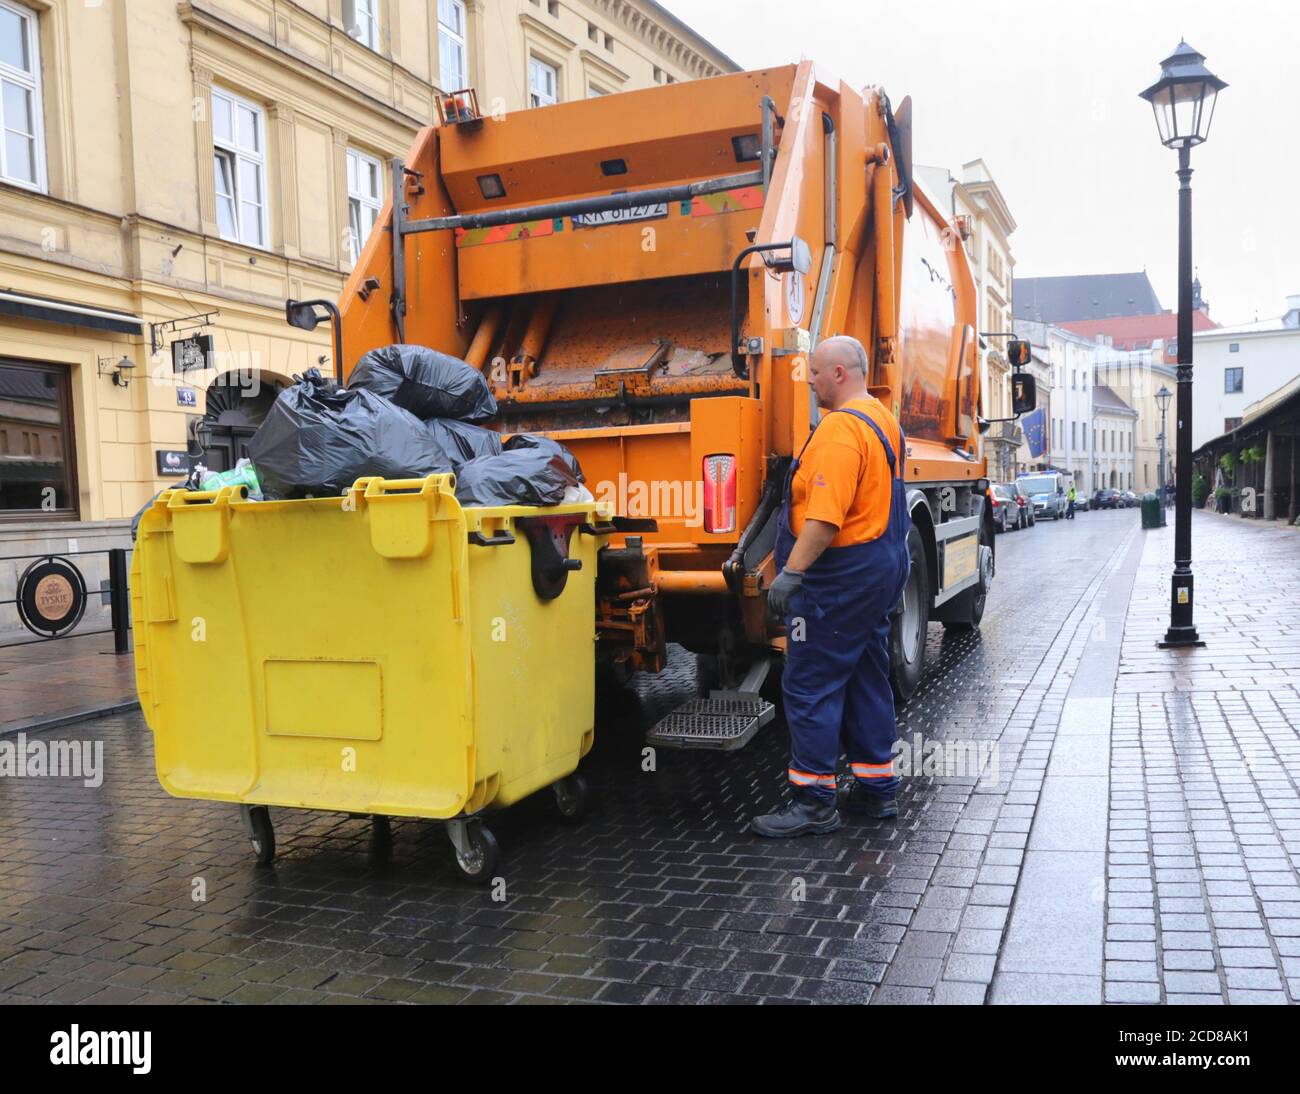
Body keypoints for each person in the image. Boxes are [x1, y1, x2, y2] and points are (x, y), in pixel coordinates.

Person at [750, 336, 911, 838]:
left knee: (810, 681)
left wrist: (791, 574)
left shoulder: (841, 431)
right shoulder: (882, 418)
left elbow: (823, 519)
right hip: (879, 565)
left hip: (839, 577)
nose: (809, 380)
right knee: (865, 674)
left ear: (839, 373)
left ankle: (814, 801)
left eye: (815, 371)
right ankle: (876, 788)